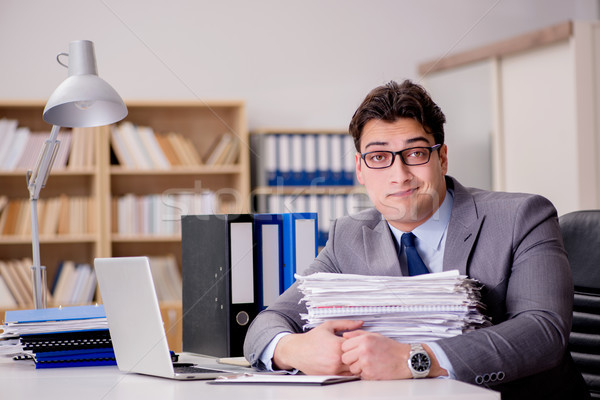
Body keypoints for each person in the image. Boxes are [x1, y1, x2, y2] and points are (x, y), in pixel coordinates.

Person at [243, 80, 589, 399]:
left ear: (442, 158)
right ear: (360, 169)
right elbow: (269, 322)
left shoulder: (521, 217)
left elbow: (543, 332)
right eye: (379, 157)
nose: (400, 175)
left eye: (416, 153)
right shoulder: (349, 236)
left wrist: (416, 358)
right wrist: (293, 349)